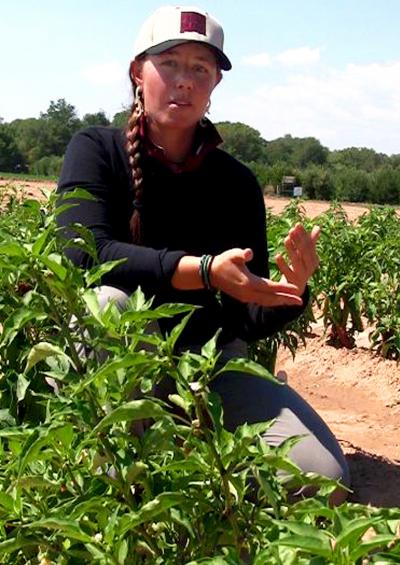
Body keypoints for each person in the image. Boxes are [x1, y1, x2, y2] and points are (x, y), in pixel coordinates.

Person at [57, 5, 349, 502]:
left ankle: (194, 440)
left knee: (321, 479)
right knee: (110, 303)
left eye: (200, 69)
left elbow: (245, 319)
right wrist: (204, 272)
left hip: (209, 364)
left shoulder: (235, 182)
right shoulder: (95, 149)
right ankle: (118, 479)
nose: (184, 81)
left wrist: (288, 292)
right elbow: (85, 254)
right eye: (168, 63)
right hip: (120, 358)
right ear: (137, 72)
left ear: (215, 84)